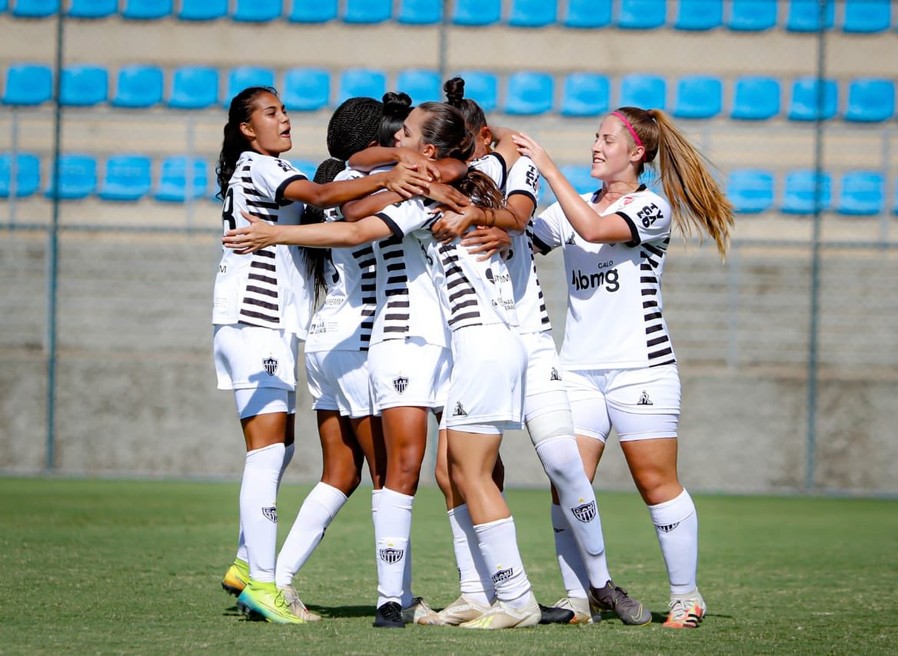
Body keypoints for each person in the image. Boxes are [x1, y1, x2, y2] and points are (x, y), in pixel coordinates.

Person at [223, 101, 543, 630]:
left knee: (448, 471)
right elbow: (494, 150)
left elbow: (353, 221)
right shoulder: (457, 180)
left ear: (432, 149)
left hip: (465, 343)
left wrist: (276, 232)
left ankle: (505, 597)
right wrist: (431, 175)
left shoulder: (430, 188)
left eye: (406, 135)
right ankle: (459, 595)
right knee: (443, 470)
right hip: (439, 341)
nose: (394, 142)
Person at [424, 77, 650, 627]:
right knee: (454, 472)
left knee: (563, 465)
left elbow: (520, 208)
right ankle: (477, 592)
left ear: (478, 137)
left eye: (471, 143)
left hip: (529, 340)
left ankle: (597, 587)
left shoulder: (510, 165)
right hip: (477, 340)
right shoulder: (459, 176)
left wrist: (495, 217)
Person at [512, 106, 734, 629]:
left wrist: (546, 166)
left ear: (636, 153)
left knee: (655, 481)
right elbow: (520, 239)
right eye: (595, 136)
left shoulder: (648, 207)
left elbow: (591, 226)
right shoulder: (574, 204)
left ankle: (686, 596)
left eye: (607, 139)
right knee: (566, 481)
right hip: (579, 369)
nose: (596, 146)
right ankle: (578, 599)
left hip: (642, 369)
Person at [212, 86, 428, 624]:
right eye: (271, 112)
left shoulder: (304, 174)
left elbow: (329, 193)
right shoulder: (266, 167)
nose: (284, 118)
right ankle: (378, 595)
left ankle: (253, 567)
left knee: (318, 463)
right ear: (245, 127)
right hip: (335, 335)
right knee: (378, 473)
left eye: (285, 109)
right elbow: (336, 202)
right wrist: (395, 174)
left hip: (308, 335)